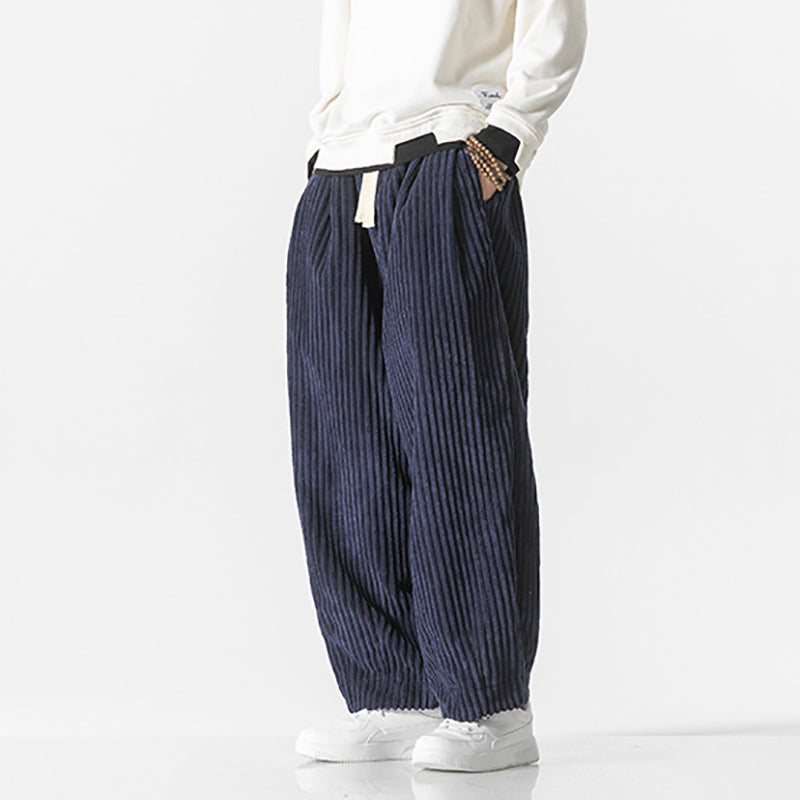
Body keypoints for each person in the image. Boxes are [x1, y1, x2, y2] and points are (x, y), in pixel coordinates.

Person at [286, 0, 587, 773]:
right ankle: (394, 692)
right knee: (344, 443)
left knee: (459, 434)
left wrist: (510, 134)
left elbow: (553, 20)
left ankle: (490, 704)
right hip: (342, 171)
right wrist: (324, 137)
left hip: (448, 159)